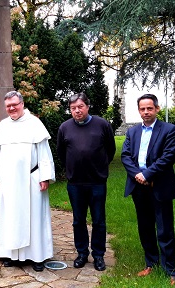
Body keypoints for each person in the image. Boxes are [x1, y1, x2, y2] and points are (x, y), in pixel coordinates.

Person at [0, 91, 55, 272]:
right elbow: (0, 156)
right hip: (10, 182)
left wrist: (45, 176)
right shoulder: (3, 126)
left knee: (34, 219)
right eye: (8, 106)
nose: (12, 109)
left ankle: (37, 257)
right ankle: (11, 255)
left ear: (22, 103)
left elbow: (44, 153)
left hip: (31, 180)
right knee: (10, 218)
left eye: (15, 105)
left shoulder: (34, 124)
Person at [121, 94, 175, 286]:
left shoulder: (169, 130)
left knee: (164, 229)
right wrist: (138, 175)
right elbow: (126, 156)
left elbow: (168, 156)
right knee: (145, 227)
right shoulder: (133, 131)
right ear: (139, 110)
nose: (146, 112)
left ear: (157, 109)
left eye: (149, 108)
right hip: (139, 187)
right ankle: (151, 263)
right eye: (142, 109)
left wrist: (147, 175)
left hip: (159, 186)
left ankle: (170, 270)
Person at [57, 92, 115, 272]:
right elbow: (61, 153)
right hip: (75, 183)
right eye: (73, 108)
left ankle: (98, 255)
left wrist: (100, 167)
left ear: (87, 107)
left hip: (97, 181)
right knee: (78, 220)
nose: (77, 111)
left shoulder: (102, 124)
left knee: (98, 220)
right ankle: (82, 253)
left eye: (80, 107)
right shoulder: (64, 128)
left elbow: (111, 150)